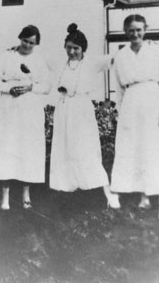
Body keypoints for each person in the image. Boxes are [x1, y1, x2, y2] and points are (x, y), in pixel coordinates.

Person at [110, 14, 159, 219]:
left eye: (139, 29)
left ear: (145, 29)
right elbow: (118, 88)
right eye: (131, 30)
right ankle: (143, 197)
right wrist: (120, 112)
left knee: (157, 149)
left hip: (152, 101)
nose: (135, 34)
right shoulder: (121, 55)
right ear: (125, 31)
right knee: (135, 148)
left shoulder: (156, 50)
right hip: (131, 105)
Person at [49, 23, 119, 208]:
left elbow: (114, 58)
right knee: (65, 150)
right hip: (63, 110)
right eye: (69, 47)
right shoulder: (60, 63)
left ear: (83, 49)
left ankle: (108, 192)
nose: (72, 52)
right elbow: (37, 60)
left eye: (76, 48)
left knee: (86, 150)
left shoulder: (91, 62)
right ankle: (69, 193)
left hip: (81, 112)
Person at [0, 25, 51, 210]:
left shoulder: (39, 60)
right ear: (20, 38)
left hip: (29, 109)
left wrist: (31, 88)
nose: (27, 45)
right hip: (8, 107)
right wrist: (9, 89)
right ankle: (6, 196)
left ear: (36, 44)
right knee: (7, 146)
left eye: (32, 43)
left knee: (27, 149)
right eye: (25, 41)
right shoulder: (7, 56)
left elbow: (47, 86)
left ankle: (26, 194)